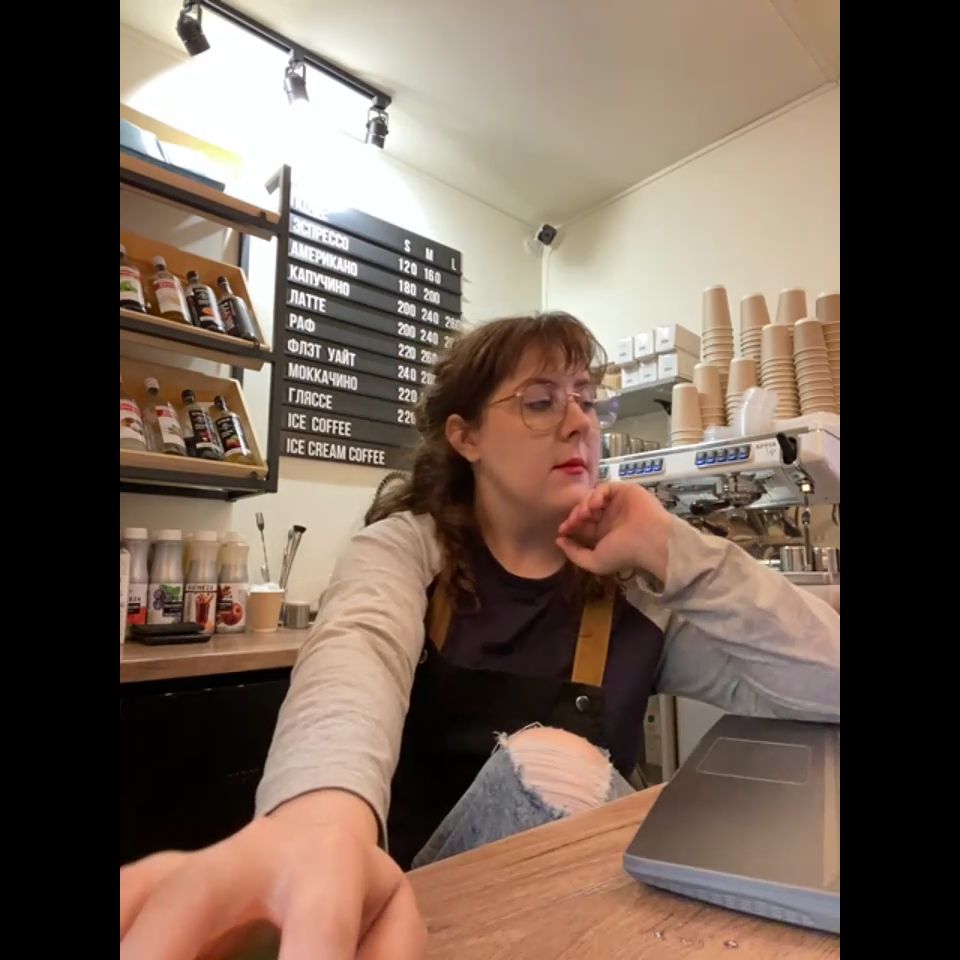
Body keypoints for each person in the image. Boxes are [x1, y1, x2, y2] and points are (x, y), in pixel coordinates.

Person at [120, 311, 840, 960]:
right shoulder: (406, 551)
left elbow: (827, 683)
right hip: (413, 924)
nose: (578, 423)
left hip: (583, 924)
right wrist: (318, 821)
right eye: (540, 401)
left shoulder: (638, 590)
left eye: (587, 399)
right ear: (466, 437)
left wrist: (675, 549)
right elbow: (354, 654)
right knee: (555, 763)